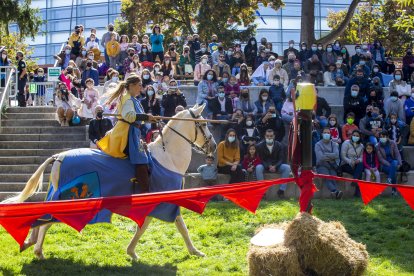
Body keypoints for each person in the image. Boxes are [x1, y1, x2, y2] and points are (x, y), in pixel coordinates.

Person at [97, 74, 156, 193]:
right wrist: (145, 116)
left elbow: (137, 118)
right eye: (139, 85)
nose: (141, 88)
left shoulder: (134, 99)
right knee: (141, 160)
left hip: (134, 131)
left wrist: (148, 119)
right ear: (132, 85)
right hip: (127, 133)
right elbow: (129, 116)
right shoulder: (127, 98)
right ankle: (144, 191)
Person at [256, 129, 291, 198]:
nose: (269, 137)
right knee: (258, 167)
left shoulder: (280, 145)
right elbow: (261, 159)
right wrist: (268, 166)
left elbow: (281, 159)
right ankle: (262, 192)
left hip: (277, 166)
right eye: (267, 136)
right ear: (265, 136)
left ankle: (281, 191)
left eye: (271, 136)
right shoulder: (259, 146)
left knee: (287, 167)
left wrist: (275, 166)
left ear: (274, 136)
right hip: (265, 165)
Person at [315, 127, 343, 199]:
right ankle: (336, 191)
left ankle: (335, 193)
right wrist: (331, 155)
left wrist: (325, 154)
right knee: (328, 178)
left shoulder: (334, 144)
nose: (326, 134)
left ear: (330, 135)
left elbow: (336, 155)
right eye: (325, 133)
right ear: (322, 134)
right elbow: (320, 157)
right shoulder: (318, 144)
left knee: (333, 178)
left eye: (328, 133)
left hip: (332, 165)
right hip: (321, 165)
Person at [376, 130, 402, 195]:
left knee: (395, 162)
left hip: (393, 162)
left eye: (384, 136)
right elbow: (381, 159)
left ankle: (389, 179)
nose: (382, 138)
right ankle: (394, 190)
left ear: (387, 136)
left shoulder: (392, 143)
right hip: (384, 164)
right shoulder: (377, 146)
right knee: (393, 170)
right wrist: (390, 165)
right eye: (381, 137)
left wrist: (400, 163)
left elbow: (397, 154)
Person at [340, 129, 364, 197]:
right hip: (345, 164)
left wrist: (358, 160)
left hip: (356, 164)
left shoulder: (361, 146)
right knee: (358, 173)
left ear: (359, 137)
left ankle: (355, 180)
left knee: (361, 164)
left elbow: (361, 157)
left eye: (357, 136)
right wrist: (351, 162)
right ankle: (357, 191)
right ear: (351, 136)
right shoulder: (346, 143)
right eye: (354, 135)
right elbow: (343, 156)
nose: (355, 137)